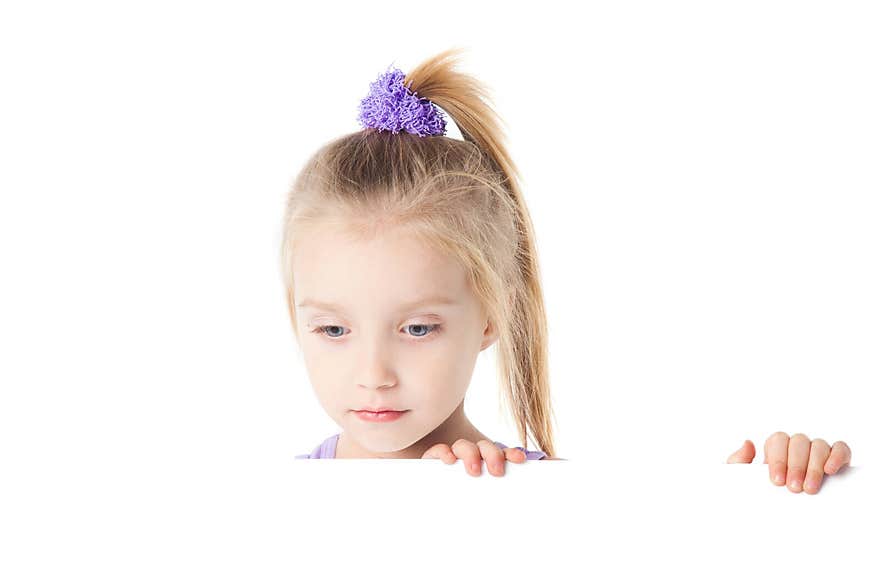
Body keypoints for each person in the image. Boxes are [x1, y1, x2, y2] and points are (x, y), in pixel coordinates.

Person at [282, 48, 852, 491]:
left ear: (491, 312)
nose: (374, 373)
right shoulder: (265, 507)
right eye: (333, 330)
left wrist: (768, 499)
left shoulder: (546, 497)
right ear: (295, 317)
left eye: (417, 328)